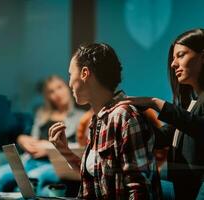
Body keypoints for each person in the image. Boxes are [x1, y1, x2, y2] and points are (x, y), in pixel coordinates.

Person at [49, 43, 162, 199]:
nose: (69, 84)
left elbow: (139, 189)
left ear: (84, 73)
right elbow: (95, 175)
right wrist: (65, 151)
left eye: (70, 75)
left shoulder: (123, 116)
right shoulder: (99, 119)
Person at [116, 28, 204, 200]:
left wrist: (155, 103)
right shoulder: (190, 104)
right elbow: (162, 137)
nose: (173, 64)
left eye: (181, 55)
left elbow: (199, 126)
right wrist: (132, 119)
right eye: (173, 58)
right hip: (180, 187)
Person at [0, 75, 84, 194]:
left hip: (54, 164)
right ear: (48, 97)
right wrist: (22, 140)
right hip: (30, 160)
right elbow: (33, 138)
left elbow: (81, 148)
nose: (57, 93)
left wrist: (49, 148)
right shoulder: (42, 114)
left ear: (68, 88)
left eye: (60, 87)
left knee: (33, 178)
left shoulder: (81, 117)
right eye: (51, 91)